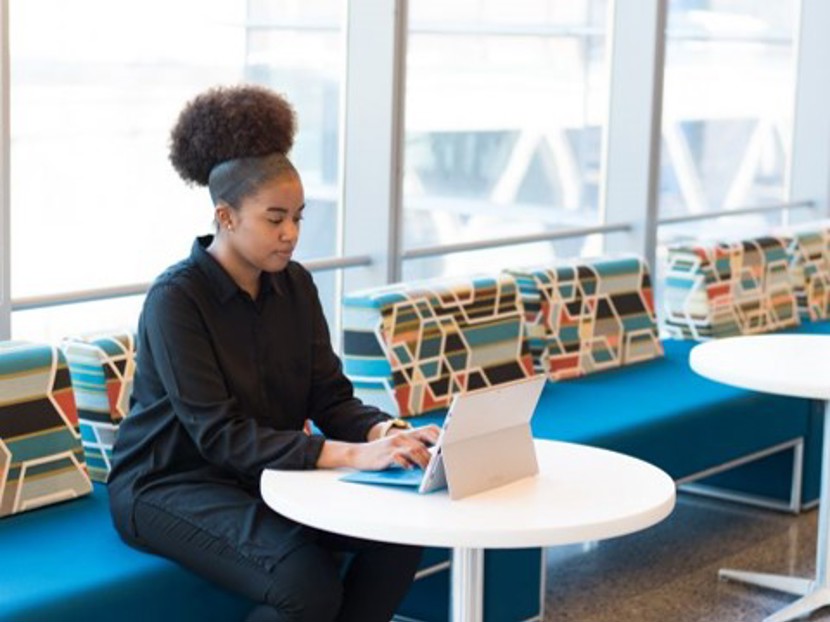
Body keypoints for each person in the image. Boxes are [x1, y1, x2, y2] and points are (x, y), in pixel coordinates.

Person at [107, 84, 440, 622]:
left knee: (397, 533)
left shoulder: (296, 286)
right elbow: (220, 435)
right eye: (275, 218)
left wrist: (388, 434)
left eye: (298, 218)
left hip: (262, 472)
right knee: (306, 582)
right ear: (226, 216)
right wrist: (353, 456)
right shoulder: (176, 300)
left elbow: (330, 397)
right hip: (168, 484)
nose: (291, 234)